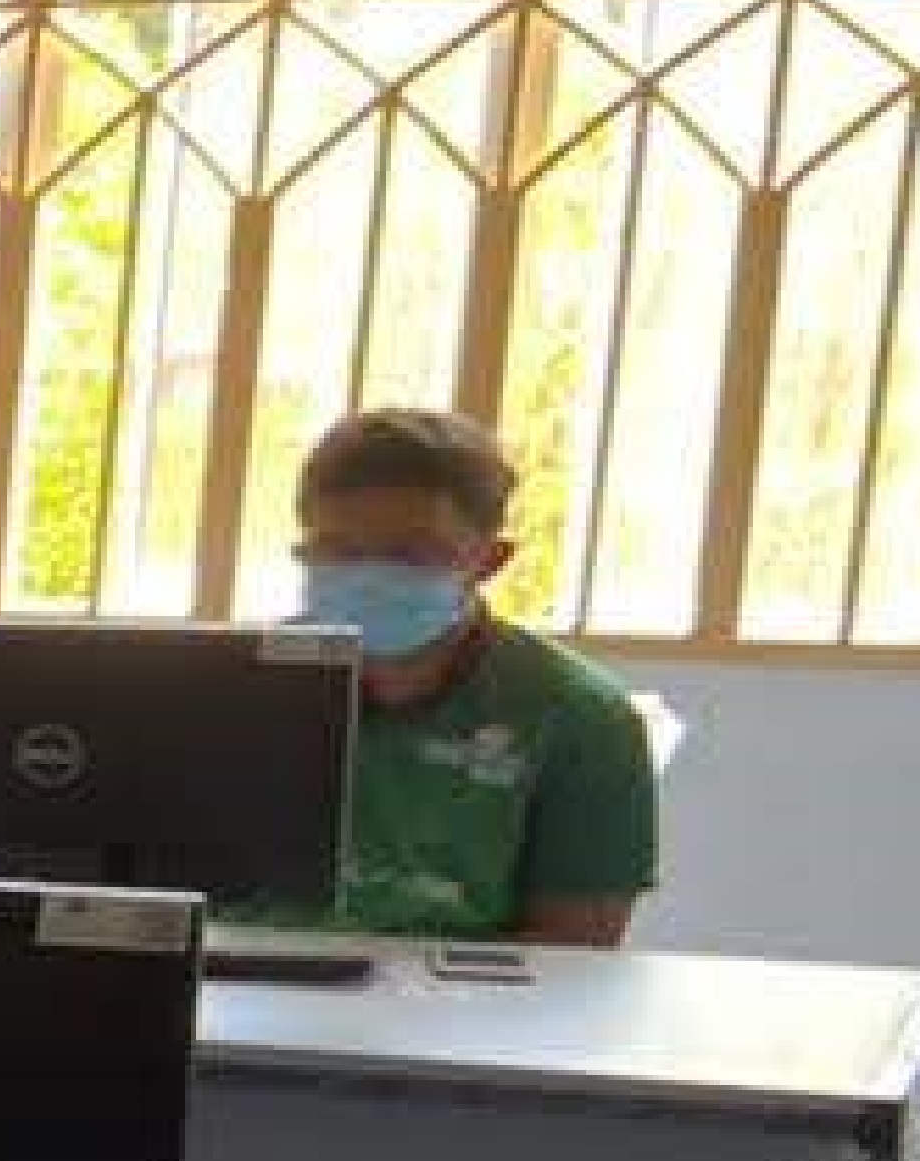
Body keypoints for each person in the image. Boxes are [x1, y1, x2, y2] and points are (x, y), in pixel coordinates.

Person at [275, 405, 659, 947]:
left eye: (411, 554)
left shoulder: (583, 720)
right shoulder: (229, 687)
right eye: (338, 550)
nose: (369, 577)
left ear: (490, 560)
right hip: (238, 988)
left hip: (464, 997)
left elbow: (577, 949)